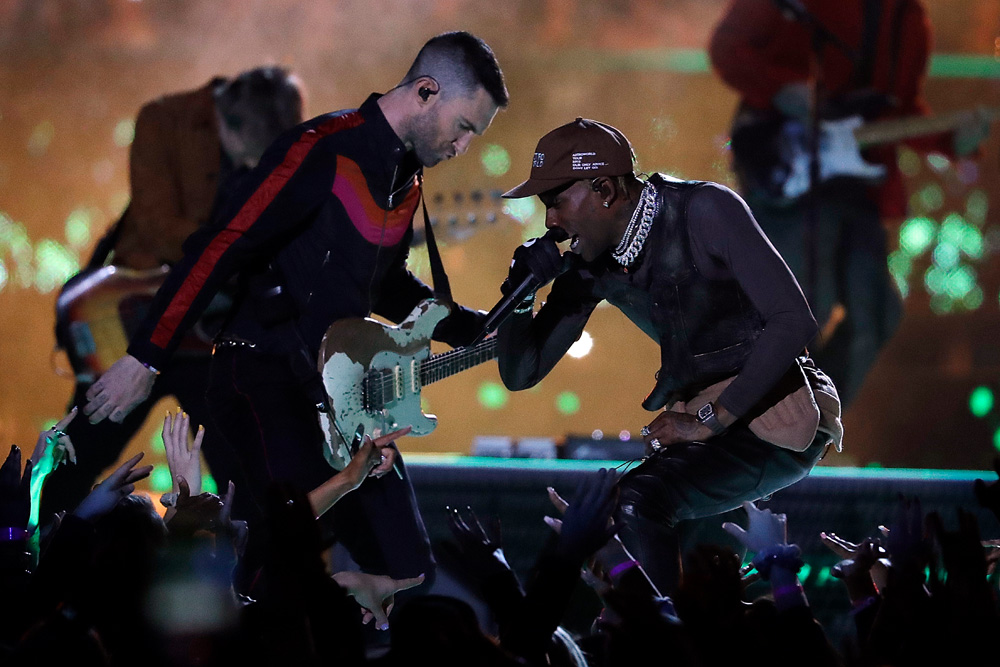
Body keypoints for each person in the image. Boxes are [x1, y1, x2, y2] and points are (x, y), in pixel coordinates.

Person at [81, 31, 508, 586]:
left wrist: (480, 328)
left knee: (406, 569)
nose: (463, 146)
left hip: (338, 395)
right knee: (292, 550)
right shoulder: (322, 148)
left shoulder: (405, 183)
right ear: (426, 91)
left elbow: (385, 286)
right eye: (465, 126)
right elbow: (222, 246)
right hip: (261, 375)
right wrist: (146, 357)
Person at [494, 118, 843, 594]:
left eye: (555, 201)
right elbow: (521, 373)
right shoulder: (589, 265)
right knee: (654, 547)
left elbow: (794, 321)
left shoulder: (704, 210)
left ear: (604, 189)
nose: (550, 220)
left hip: (778, 412)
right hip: (705, 427)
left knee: (637, 500)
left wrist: (709, 420)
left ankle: (657, 629)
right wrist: (519, 294)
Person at [45, 67, 305, 522]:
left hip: (209, 340)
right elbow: (155, 226)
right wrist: (237, 252)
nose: (251, 166)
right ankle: (28, 547)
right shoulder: (163, 119)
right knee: (80, 455)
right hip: (137, 323)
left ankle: (251, 562)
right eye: (250, 153)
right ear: (230, 124)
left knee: (243, 470)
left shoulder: (261, 137)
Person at [708, 0, 991, 406]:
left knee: (875, 315)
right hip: (790, 171)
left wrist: (951, 142)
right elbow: (726, 48)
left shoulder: (910, 18)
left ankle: (809, 424)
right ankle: (757, 423)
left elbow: (897, 110)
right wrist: (780, 87)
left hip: (860, 186)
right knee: (803, 311)